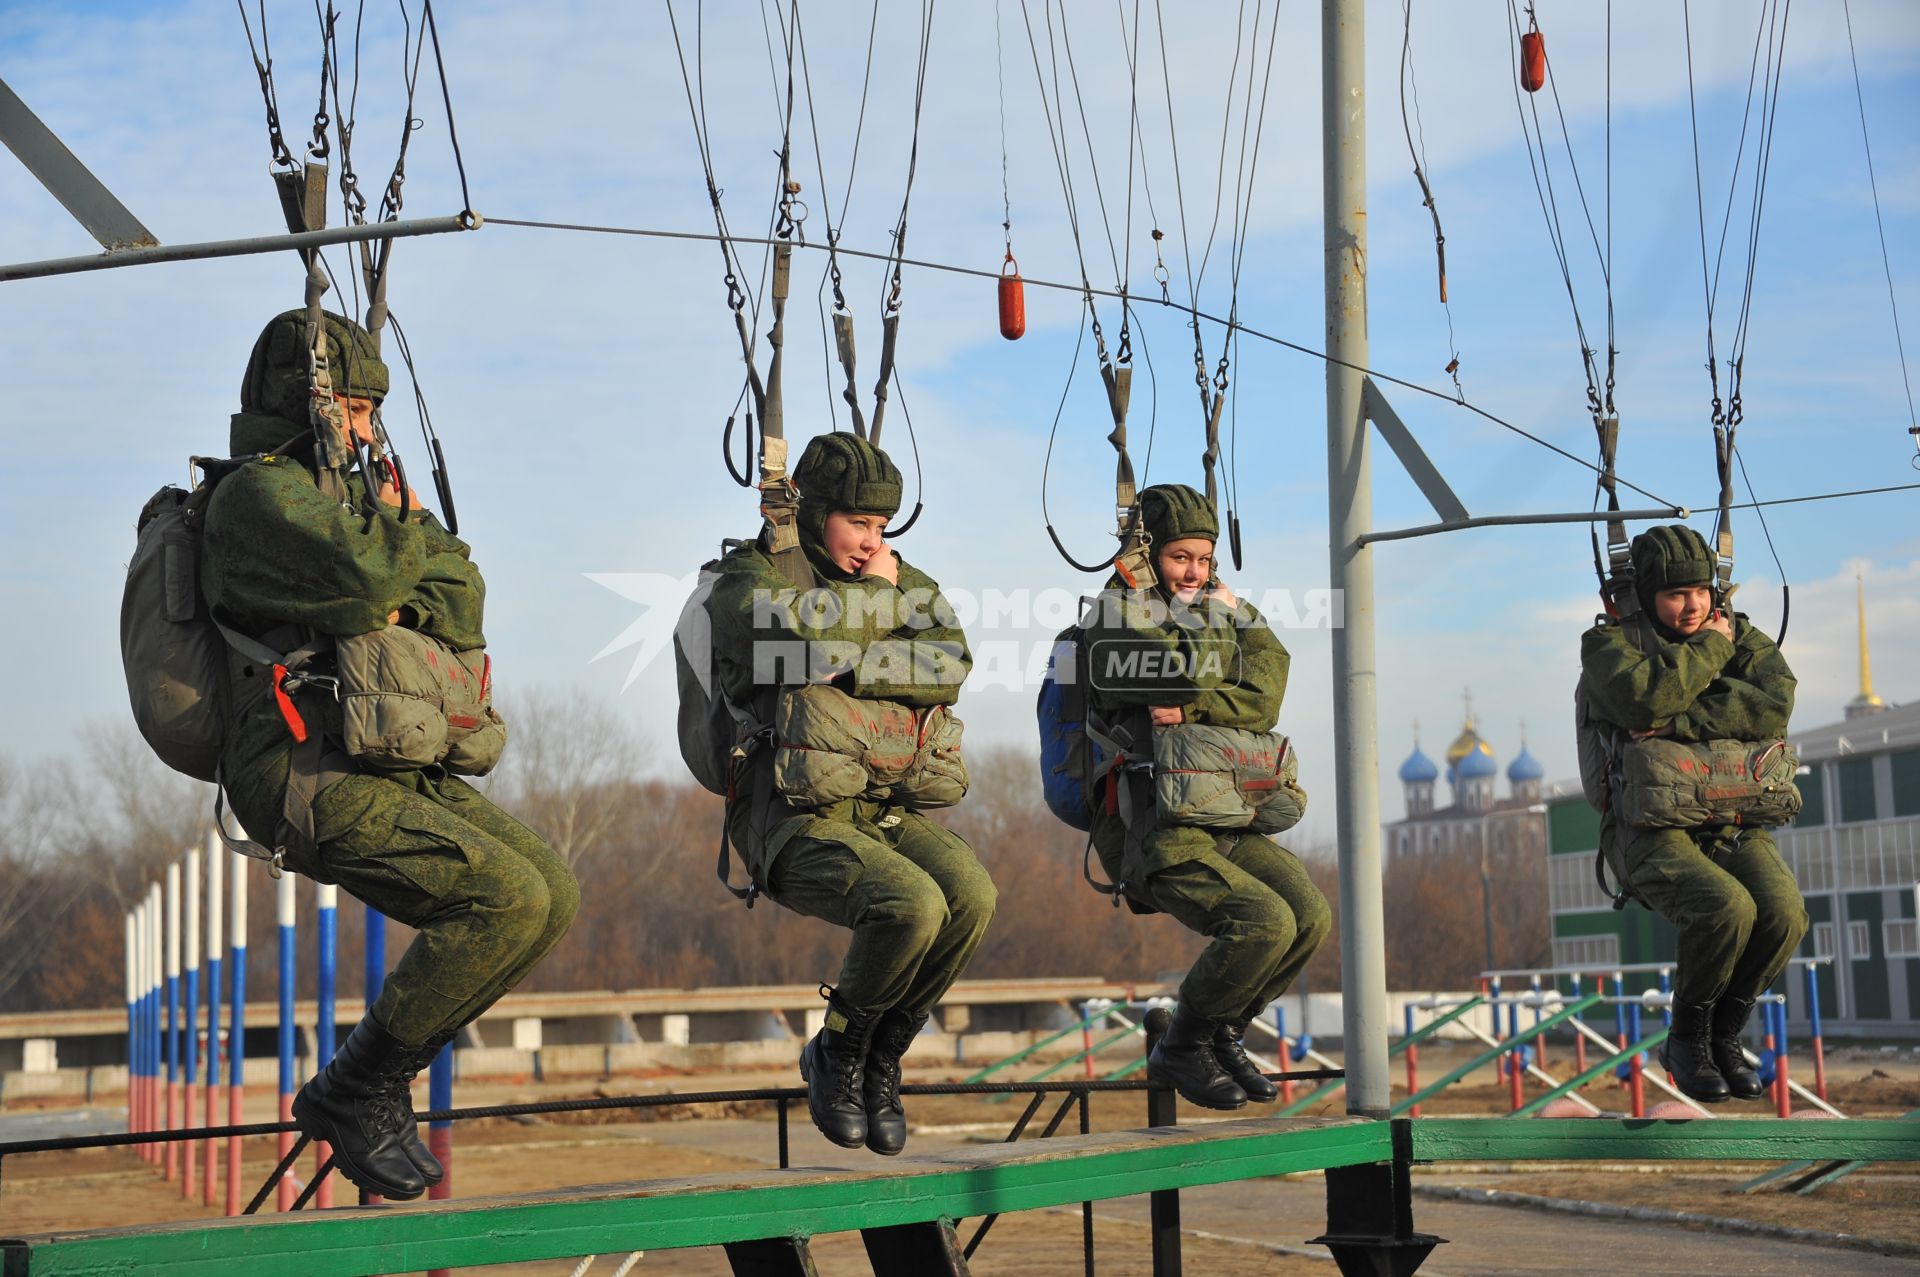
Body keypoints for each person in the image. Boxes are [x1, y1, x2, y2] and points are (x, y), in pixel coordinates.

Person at [201, 309, 579, 1198]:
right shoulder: (259, 497)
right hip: (303, 766)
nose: (372, 434)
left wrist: (394, 554)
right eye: (358, 413)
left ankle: (364, 1082)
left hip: (378, 751)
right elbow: (374, 578)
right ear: (315, 409)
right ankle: (361, 1086)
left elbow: (463, 599)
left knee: (549, 892)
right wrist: (394, 555)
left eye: (374, 414)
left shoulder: (353, 504)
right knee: (504, 895)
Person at [706, 432, 995, 1155]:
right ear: (811, 509)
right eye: (856, 524)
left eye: (880, 528)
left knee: (971, 895)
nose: (871, 543)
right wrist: (880, 600)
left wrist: (857, 666)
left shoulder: (899, 576)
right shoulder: (753, 575)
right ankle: (836, 1052)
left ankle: (882, 1054)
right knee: (911, 904)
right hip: (788, 818)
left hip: (879, 806)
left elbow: (951, 661)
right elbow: (802, 643)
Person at [1081, 484, 1330, 1110]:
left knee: (1308, 918)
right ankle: (1183, 1045)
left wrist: (1193, 706)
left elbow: (1265, 692)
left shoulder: (1225, 610)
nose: (1194, 573)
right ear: (1147, 555)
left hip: (1226, 816)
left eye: (1203, 559)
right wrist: (1216, 627)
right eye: (1179, 558)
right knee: (1261, 922)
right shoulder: (1113, 620)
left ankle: (1222, 1034)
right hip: (1155, 830)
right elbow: (1183, 670)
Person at [1579, 524, 1807, 1103]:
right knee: (1725, 908)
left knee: (1783, 913)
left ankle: (1724, 1035)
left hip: (1729, 820)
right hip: (1647, 832)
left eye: (1701, 592)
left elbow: (1772, 704)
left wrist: (1680, 723)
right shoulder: (1610, 649)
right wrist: (1712, 649)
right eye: (1676, 595)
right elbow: (1640, 698)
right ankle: (1685, 1040)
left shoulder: (1745, 637)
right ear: (1645, 597)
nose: (1693, 606)